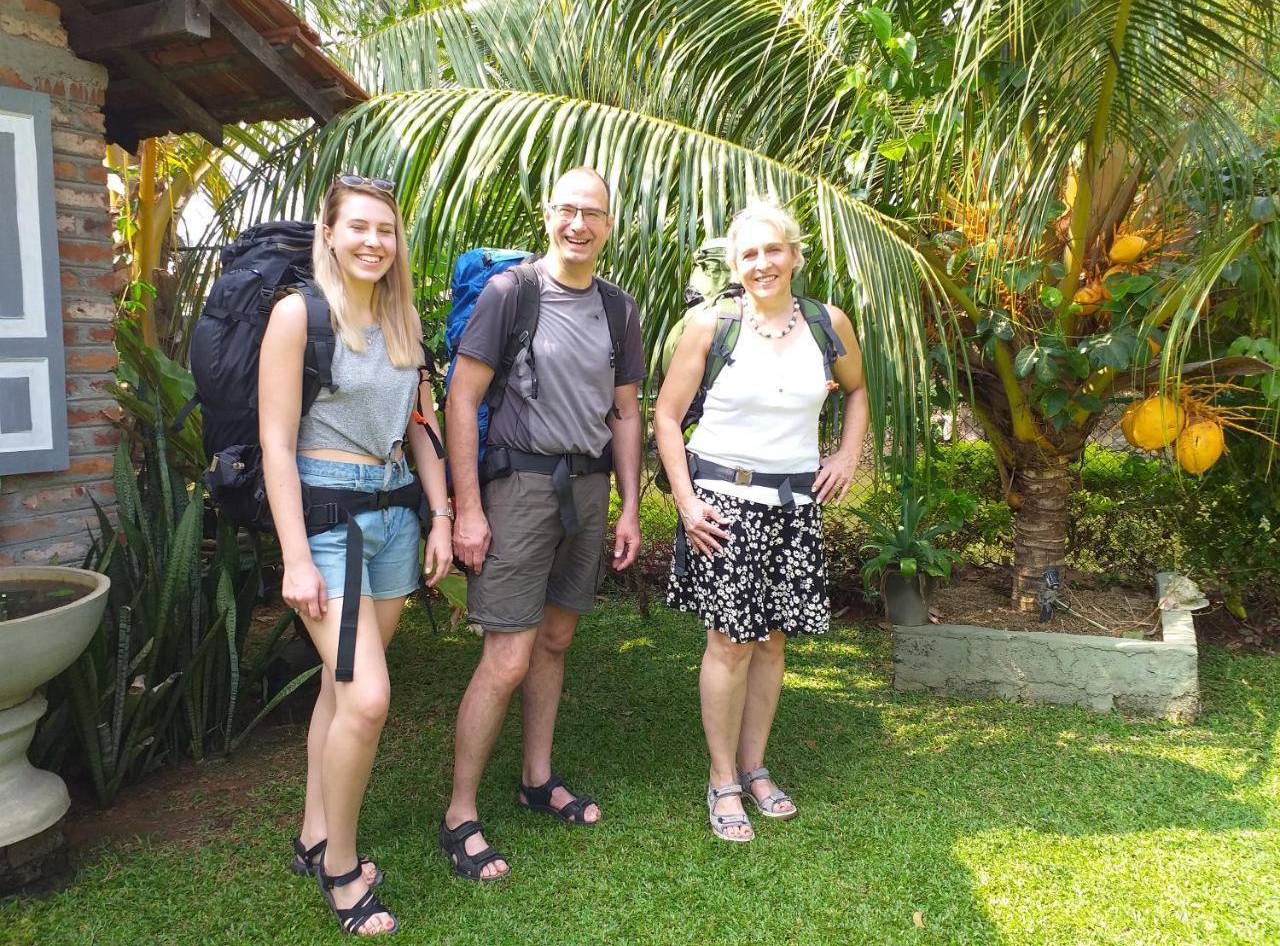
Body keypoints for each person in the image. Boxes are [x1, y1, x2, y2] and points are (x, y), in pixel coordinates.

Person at [260, 175, 452, 935]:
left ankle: (313, 832)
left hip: (396, 516)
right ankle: (341, 866)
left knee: (343, 696)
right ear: (331, 234)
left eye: (387, 230)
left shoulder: (405, 323)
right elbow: (276, 443)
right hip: (329, 520)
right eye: (360, 228)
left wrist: (440, 517)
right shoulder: (298, 316)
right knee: (368, 697)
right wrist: (294, 557)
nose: (374, 241)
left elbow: (421, 431)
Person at [440, 167, 644, 881]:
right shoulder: (512, 293)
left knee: (555, 639)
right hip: (519, 487)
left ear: (610, 226)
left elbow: (625, 412)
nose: (579, 224)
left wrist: (629, 505)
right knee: (508, 657)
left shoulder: (620, 309)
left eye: (593, 213)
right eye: (567, 210)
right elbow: (461, 399)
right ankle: (459, 812)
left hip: (586, 491)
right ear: (547, 215)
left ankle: (535, 779)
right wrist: (466, 507)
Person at [653, 200, 868, 842]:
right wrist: (687, 503)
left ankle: (755, 768)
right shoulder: (709, 327)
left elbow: (857, 390)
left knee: (771, 640)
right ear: (735, 265)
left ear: (796, 256)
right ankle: (722, 779)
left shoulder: (829, 324)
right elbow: (666, 416)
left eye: (774, 250)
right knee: (729, 642)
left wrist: (848, 452)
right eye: (749, 254)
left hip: (795, 508)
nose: (763, 263)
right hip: (723, 506)